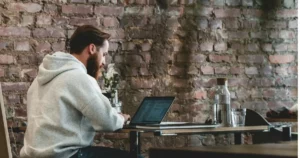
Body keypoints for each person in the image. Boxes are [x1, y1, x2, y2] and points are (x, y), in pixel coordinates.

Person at [20, 25, 131, 158]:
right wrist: (121, 118)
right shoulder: (79, 77)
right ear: (92, 49)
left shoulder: (38, 80)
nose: (103, 62)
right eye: (104, 54)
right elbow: (108, 121)